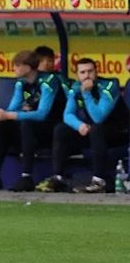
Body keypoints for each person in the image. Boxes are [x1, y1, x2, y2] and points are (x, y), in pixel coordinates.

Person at [0, 50, 64, 192]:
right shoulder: (21, 84)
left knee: (26, 124)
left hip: (50, 127)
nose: (14, 69)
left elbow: (42, 114)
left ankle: (26, 176)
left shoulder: (49, 81)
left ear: (27, 67)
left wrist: (12, 115)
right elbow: (12, 109)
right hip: (28, 127)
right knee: (0, 125)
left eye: (17, 65)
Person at [38, 58, 129, 194]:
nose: (87, 75)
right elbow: (67, 115)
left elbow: (98, 118)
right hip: (94, 132)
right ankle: (58, 178)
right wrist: (80, 125)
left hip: (119, 132)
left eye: (90, 71)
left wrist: (86, 94)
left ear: (96, 72)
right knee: (61, 129)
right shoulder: (75, 88)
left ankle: (99, 181)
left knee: (96, 129)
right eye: (83, 72)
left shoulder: (109, 86)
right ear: (78, 75)